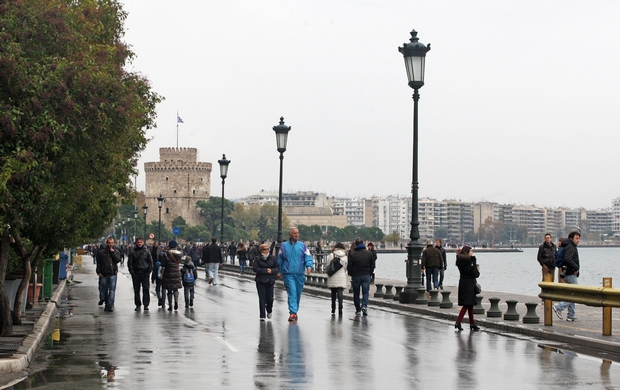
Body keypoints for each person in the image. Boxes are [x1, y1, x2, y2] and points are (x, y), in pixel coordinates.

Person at [277, 227, 314, 322]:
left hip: (299, 274)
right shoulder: (284, 246)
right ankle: (292, 312)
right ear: (290, 234)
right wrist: (279, 271)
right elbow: (280, 259)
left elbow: (308, 257)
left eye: (297, 233)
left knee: (297, 293)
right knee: (292, 293)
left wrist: (309, 266)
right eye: (294, 233)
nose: (296, 235)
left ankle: (295, 311)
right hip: (288, 274)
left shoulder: (303, 246)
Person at [553, 231, 581, 322]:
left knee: (572, 294)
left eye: (579, 238)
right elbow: (567, 259)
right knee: (575, 294)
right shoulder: (570, 246)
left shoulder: (567, 246)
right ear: (571, 238)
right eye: (576, 238)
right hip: (569, 273)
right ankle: (559, 307)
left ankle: (571, 315)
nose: (578, 240)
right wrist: (576, 267)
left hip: (568, 272)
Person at [454, 246, 480, 331]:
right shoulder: (471, 260)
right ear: (467, 252)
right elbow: (475, 274)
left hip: (462, 282)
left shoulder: (460, 260)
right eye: (471, 251)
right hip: (469, 283)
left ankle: (472, 323)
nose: (472, 253)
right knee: (467, 304)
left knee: (470, 305)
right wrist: (477, 269)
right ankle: (458, 322)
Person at [347, 238, 375, 316]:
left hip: (356, 276)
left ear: (356, 244)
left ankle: (358, 309)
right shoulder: (369, 253)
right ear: (363, 243)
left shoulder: (353, 254)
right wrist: (370, 273)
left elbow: (350, 266)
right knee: (365, 292)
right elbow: (372, 265)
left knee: (356, 293)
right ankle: (364, 306)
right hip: (366, 275)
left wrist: (350, 273)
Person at [253, 243, 280, 321]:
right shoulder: (257, 258)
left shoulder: (273, 258)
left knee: (270, 298)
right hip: (261, 280)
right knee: (262, 298)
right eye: (265, 249)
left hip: (270, 280)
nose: (267, 251)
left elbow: (277, 268)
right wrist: (265, 271)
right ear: (261, 250)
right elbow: (255, 268)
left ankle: (269, 310)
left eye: (268, 249)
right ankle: (262, 315)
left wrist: (272, 271)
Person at [127, 237, 153, 311]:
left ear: (143, 243)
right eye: (138, 242)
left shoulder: (147, 252)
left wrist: (148, 272)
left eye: (141, 242)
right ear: (136, 243)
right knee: (136, 290)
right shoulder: (133, 252)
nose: (139, 244)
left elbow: (150, 262)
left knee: (146, 289)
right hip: (136, 273)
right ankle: (138, 305)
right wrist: (132, 272)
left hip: (145, 273)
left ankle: (146, 304)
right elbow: (130, 263)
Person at [96, 237, 121, 312]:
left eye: (112, 243)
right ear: (107, 243)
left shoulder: (116, 251)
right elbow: (99, 263)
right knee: (104, 290)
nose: (111, 244)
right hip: (104, 274)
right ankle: (107, 303)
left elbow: (118, 260)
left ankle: (110, 305)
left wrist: (112, 253)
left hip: (113, 274)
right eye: (109, 243)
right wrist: (98, 272)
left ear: (114, 243)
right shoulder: (102, 252)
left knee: (112, 291)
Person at [326, 242, 348, 316]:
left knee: (333, 293)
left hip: (333, 276)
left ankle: (333, 308)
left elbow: (328, 265)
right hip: (341, 276)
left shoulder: (332, 255)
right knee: (340, 292)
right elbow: (345, 267)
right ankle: (340, 308)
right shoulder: (345, 256)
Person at [162, 240, 183, 311]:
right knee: (175, 288)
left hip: (168, 273)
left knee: (169, 290)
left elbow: (163, 264)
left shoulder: (166, 254)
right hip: (176, 272)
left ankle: (170, 305)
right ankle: (176, 301)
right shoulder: (179, 254)